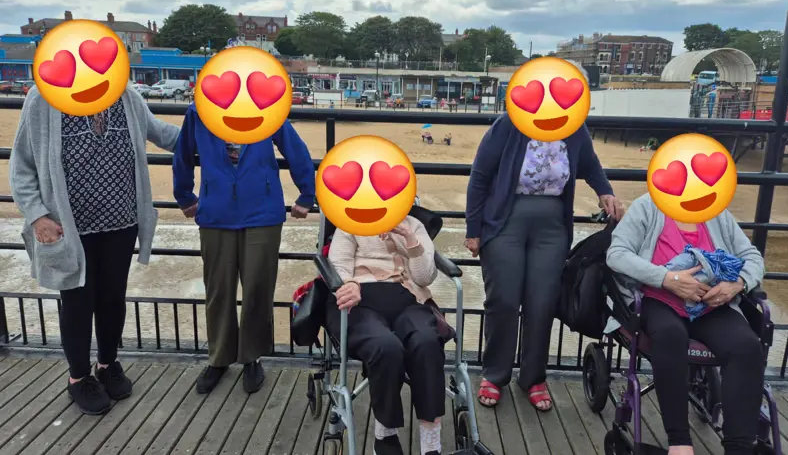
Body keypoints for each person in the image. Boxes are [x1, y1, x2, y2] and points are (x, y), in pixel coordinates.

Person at [9, 85, 179, 415]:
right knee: (77, 302)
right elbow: (22, 163)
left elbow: (163, 133)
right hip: (69, 229)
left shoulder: (125, 95)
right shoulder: (43, 98)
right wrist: (37, 215)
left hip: (122, 223)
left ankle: (107, 364)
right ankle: (78, 377)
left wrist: (217, 133)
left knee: (113, 298)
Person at [464, 113, 623, 411]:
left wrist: (605, 191)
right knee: (503, 300)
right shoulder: (509, 123)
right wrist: (473, 230)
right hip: (503, 221)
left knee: (543, 302)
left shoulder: (574, 126)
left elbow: (589, 163)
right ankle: (495, 374)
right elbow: (480, 176)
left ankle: (534, 377)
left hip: (552, 226)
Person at [172, 104, 315, 395]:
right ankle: (219, 358)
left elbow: (295, 149)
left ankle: (252, 357)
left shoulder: (268, 108)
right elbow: (183, 154)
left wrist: (306, 193)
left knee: (258, 289)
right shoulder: (199, 111)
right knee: (218, 290)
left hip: (263, 213)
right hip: (215, 214)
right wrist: (184, 195)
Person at [606, 193, 765, 455]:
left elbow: (752, 257)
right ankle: (679, 443)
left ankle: (739, 448)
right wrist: (666, 278)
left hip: (711, 303)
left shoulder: (716, 212)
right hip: (660, 298)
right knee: (670, 336)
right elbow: (617, 254)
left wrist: (738, 283)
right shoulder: (647, 206)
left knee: (746, 346)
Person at [327, 214, 444, 455]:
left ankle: (431, 437)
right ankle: (385, 431)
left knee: (427, 342)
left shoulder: (414, 225)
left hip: (408, 297)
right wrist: (348, 283)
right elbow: (338, 264)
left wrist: (409, 239)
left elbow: (425, 278)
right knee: (386, 347)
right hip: (361, 299)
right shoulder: (351, 223)